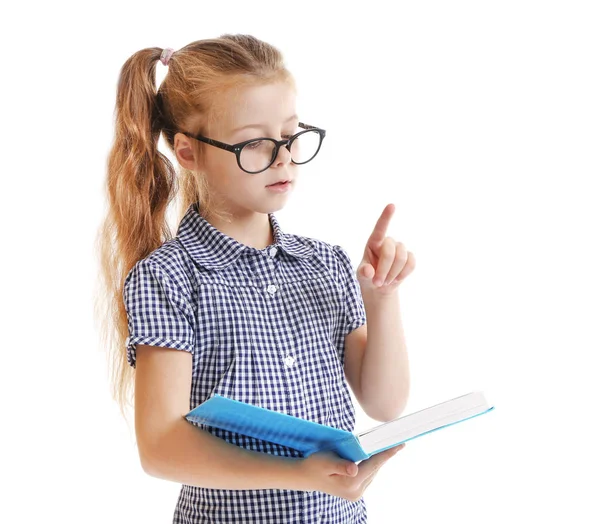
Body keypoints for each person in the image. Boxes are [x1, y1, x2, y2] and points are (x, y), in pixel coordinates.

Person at [96, 34, 415, 523]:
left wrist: (380, 296)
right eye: (254, 144)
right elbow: (159, 447)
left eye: (289, 137)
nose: (282, 157)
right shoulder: (170, 278)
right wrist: (297, 473)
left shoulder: (325, 264)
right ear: (188, 152)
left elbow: (385, 403)